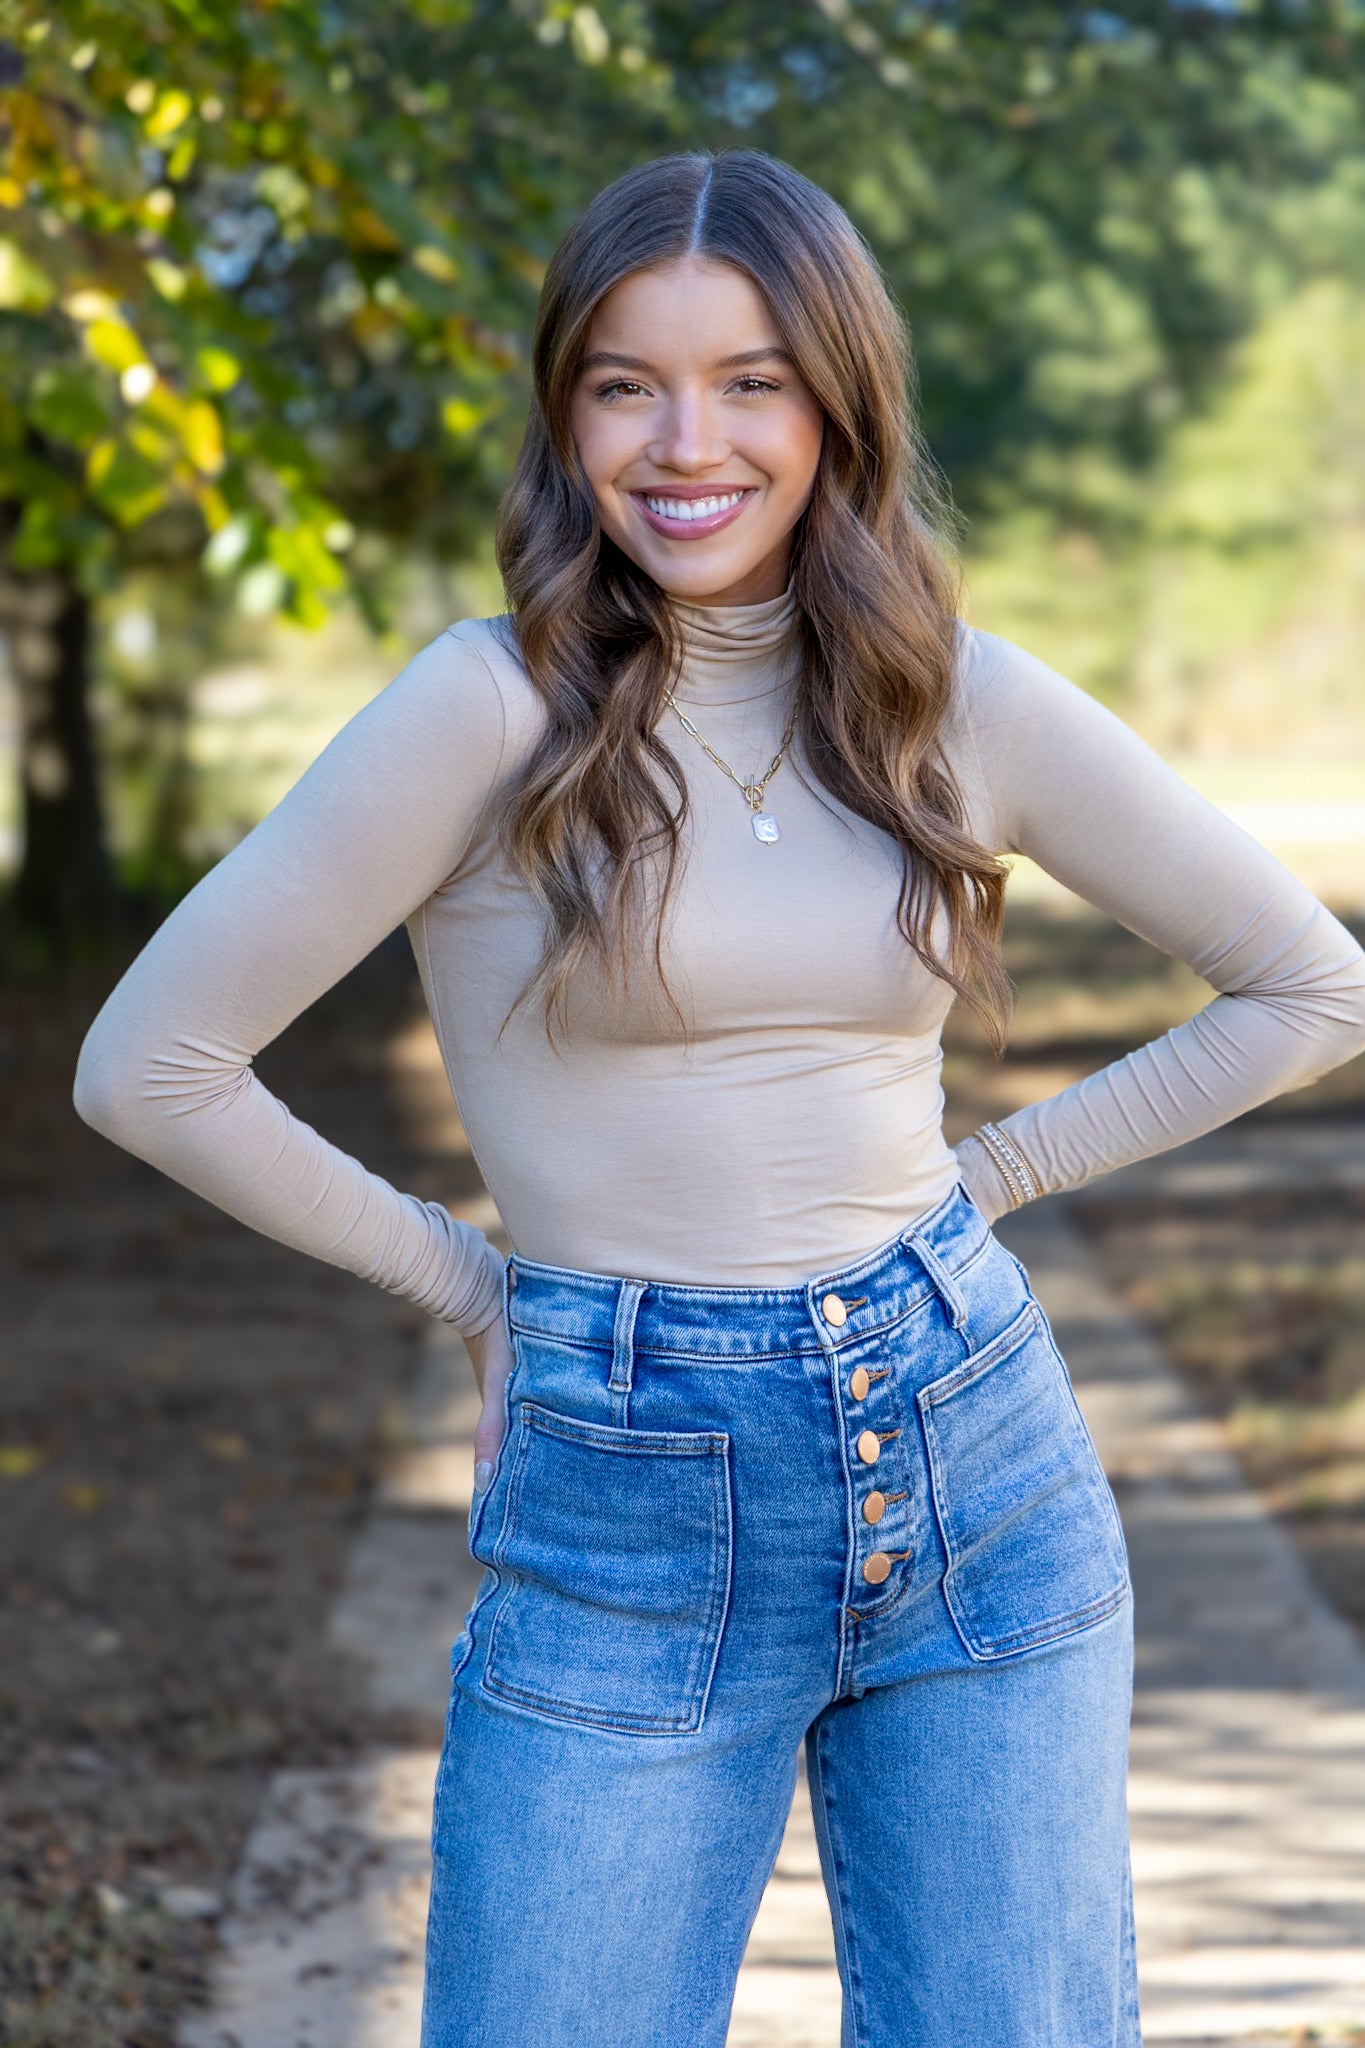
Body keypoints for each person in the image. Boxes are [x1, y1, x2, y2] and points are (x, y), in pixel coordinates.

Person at [74, 150, 1365, 2048]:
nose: (687, 442)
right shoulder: (483, 711)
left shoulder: (951, 703)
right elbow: (151, 1067)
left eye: (751, 379)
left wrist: (990, 1177)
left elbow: (1307, 984)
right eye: (625, 381)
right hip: (626, 1482)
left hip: (970, 1457)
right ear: (563, 410)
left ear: (838, 402)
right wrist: (473, 1287)